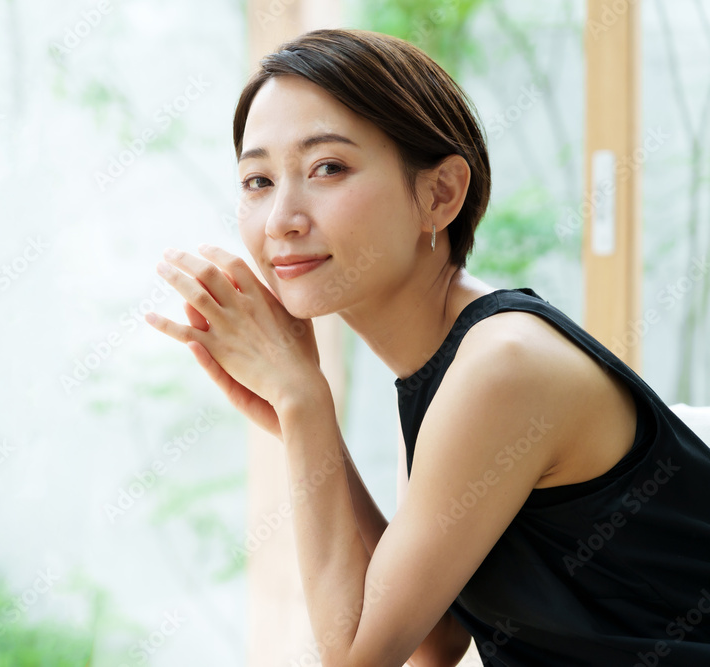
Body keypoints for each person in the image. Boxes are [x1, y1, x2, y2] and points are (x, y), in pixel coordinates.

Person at [144, 28, 710, 667]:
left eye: (327, 167)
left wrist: (302, 401)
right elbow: (435, 639)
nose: (281, 220)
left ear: (439, 194)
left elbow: (360, 659)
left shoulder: (502, 365)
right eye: (257, 180)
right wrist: (300, 420)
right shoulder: (444, 360)